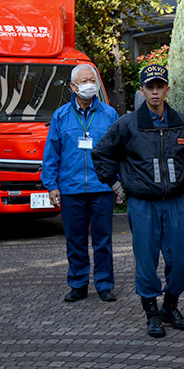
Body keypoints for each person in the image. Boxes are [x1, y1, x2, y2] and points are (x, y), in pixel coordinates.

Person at [92, 64, 184, 338]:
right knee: (146, 261)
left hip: (174, 205)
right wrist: (115, 184)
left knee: (180, 260)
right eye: (150, 87)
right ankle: (151, 313)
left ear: (167, 89)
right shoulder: (127, 125)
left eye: (160, 86)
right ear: (142, 90)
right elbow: (101, 154)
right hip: (142, 204)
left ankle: (170, 307)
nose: (155, 92)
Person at [42, 64, 119, 303]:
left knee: (103, 241)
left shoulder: (109, 114)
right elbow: (52, 153)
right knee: (74, 241)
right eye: (84, 81)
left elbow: (118, 152)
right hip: (71, 189)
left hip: (101, 188)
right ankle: (78, 284)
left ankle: (104, 285)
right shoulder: (61, 116)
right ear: (73, 87)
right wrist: (52, 185)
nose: (89, 85)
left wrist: (118, 184)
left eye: (92, 80)